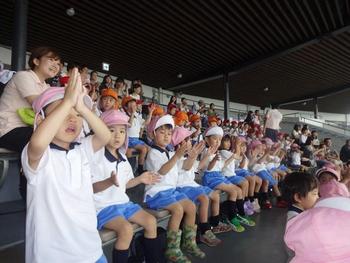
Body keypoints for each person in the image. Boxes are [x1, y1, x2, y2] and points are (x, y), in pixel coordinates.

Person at [22, 68, 111, 263]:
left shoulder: (82, 150)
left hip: (91, 251)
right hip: (53, 255)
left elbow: (105, 136)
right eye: (62, 112)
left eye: (76, 115)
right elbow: (37, 143)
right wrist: (68, 102)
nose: (72, 118)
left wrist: (82, 108)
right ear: (40, 120)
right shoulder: (40, 156)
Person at [92, 110, 161, 263]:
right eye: (111, 130)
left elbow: (126, 183)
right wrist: (109, 182)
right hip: (103, 207)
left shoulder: (123, 156)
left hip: (123, 203)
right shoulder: (95, 156)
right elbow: (91, 188)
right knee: (126, 229)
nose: (117, 135)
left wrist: (141, 179)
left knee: (150, 221)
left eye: (122, 131)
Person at [0, 46, 61, 199]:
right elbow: (40, 105)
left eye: (59, 63)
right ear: (35, 61)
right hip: (7, 129)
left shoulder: (47, 87)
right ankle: (29, 192)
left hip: (27, 129)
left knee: (56, 138)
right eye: (51, 60)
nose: (56, 65)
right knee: (40, 139)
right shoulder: (24, 76)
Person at [144, 115, 205, 263]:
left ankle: (189, 242)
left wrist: (191, 157)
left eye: (169, 133)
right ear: (153, 134)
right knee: (178, 209)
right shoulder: (153, 153)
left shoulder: (170, 153)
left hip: (170, 192)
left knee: (190, 206)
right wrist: (177, 156)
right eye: (162, 132)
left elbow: (185, 167)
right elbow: (162, 171)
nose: (166, 136)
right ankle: (172, 248)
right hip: (156, 193)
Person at [172, 127, 229, 247]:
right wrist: (193, 156)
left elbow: (198, 167)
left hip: (192, 185)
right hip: (182, 187)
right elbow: (187, 167)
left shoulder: (187, 155)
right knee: (204, 198)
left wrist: (207, 156)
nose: (190, 142)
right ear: (179, 142)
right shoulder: (175, 157)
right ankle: (205, 230)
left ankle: (215, 224)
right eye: (187, 140)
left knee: (214, 195)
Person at [284, 167, 350, 263]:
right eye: (315, 194)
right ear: (298, 197)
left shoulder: (306, 211)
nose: (318, 197)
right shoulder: (294, 218)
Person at [200, 126, 255, 232]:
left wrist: (230, 158)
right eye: (215, 138)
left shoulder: (217, 153)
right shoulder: (206, 151)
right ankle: (232, 216)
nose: (217, 141)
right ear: (207, 139)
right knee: (234, 191)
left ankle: (239, 214)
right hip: (211, 178)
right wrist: (213, 160)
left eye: (219, 139)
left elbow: (222, 166)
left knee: (238, 190)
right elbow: (208, 168)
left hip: (218, 176)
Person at [122, 96, 153, 174]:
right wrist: (132, 113)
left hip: (136, 140)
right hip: (129, 139)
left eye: (134, 103)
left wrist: (151, 112)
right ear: (126, 106)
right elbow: (129, 125)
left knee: (150, 149)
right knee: (143, 149)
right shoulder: (123, 114)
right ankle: (140, 169)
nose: (134, 105)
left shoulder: (136, 115)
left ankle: (145, 166)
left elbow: (146, 123)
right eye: (131, 103)